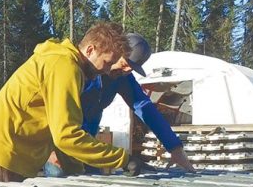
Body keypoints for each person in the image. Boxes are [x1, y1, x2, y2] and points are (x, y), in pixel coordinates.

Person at [0, 21, 136, 184]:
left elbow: (60, 132)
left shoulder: (60, 61)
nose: (107, 70)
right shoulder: (65, 67)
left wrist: (77, 173)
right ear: (90, 50)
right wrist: (122, 159)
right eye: (107, 62)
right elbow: (66, 136)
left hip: (2, 156)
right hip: (1, 157)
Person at [45, 33, 194, 177]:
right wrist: (51, 149)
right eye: (125, 63)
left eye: (133, 68)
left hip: (88, 146)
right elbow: (49, 109)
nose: (128, 70)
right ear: (114, 53)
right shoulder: (76, 71)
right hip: (58, 145)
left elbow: (145, 108)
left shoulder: (122, 78)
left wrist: (175, 148)